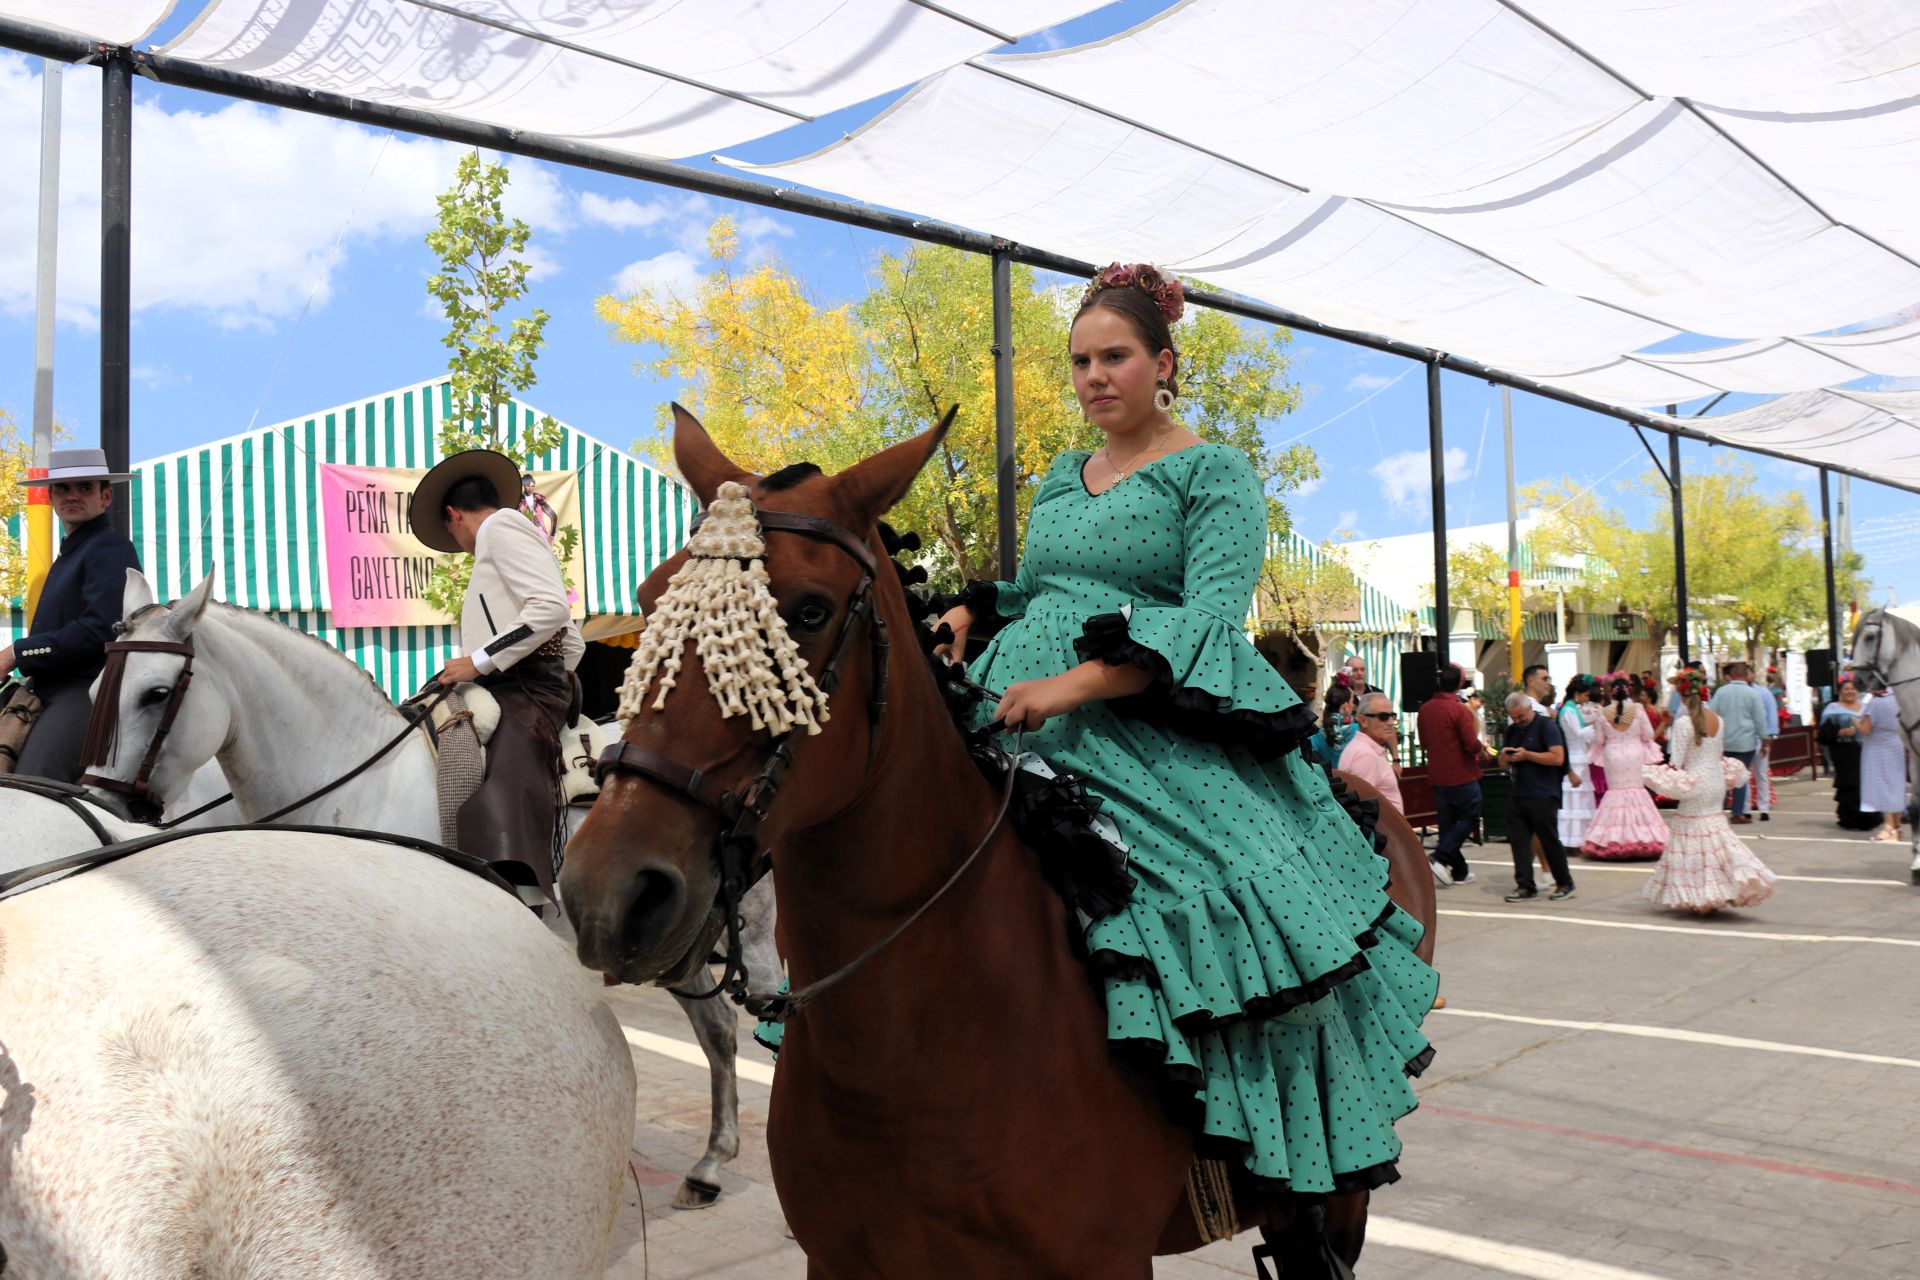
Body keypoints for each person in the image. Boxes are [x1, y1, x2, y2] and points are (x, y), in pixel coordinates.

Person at [938, 262, 1435, 1205]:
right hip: (1014, 694)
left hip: (1146, 721)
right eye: (1080, 360)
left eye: (1114, 356)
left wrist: (1075, 686)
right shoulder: (1059, 474)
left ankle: (1263, 1167)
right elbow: (1042, 591)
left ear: (1164, 362)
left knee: (1218, 891)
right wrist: (972, 615)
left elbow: (1208, 620)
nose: (1093, 376)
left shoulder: (1214, 474)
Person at [410, 450, 584, 907]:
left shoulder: (502, 526)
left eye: (451, 532)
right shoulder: (504, 535)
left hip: (526, 686)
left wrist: (479, 661)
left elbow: (551, 609)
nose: (457, 541)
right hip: (514, 678)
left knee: (510, 760)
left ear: (454, 515)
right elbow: (570, 636)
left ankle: (521, 893)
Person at [0, 448, 143, 782]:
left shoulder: (109, 546)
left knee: (30, 789)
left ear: (105, 497)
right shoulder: (73, 552)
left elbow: (101, 630)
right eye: (63, 488)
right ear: (50, 497)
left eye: (85, 487)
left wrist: (16, 653)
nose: (72, 495)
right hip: (45, 690)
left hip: (85, 690)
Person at [1643, 670, 1776, 915]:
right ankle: (1723, 886)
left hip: (1697, 782)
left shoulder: (1684, 723)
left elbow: (1678, 760)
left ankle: (1702, 894)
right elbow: (1718, 753)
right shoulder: (1717, 719)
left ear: (1682, 695)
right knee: (1715, 835)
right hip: (1715, 781)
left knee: (1692, 837)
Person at [1500, 691, 1575, 902]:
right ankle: (1525, 885)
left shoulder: (1546, 726)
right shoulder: (1513, 731)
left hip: (1543, 793)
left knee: (1549, 840)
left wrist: (1528, 755)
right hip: (1519, 793)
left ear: (1529, 709)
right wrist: (1505, 757)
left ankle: (1565, 882)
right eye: (1514, 717)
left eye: (1521, 716)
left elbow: (1557, 757)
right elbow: (1503, 764)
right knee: (1519, 842)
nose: (1518, 721)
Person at [1582, 675, 1666, 859]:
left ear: (1611, 694)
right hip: (1634, 754)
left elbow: (1599, 740)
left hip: (1613, 755)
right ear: (1629, 692)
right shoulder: (1637, 709)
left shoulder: (1603, 713)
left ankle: (1612, 840)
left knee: (1615, 793)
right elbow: (1648, 735)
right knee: (1636, 790)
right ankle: (1644, 838)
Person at [1417, 663, 1482, 887]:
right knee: (1470, 817)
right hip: (1461, 774)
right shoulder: (1458, 710)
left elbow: (1424, 743)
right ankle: (1440, 857)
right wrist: (1480, 748)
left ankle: (1460, 871)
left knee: (1448, 823)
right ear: (1460, 684)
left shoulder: (1425, 709)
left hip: (1437, 774)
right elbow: (1471, 744)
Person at [1709, 661, 1769, 824]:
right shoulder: (1753, 694)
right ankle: (1737, 813)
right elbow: (1760, 720)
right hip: (1746, 743)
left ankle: (1718, 810)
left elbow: (1711, 714)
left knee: (1722, 777)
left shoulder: (1721, 692)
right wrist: (1764, 740)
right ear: (1746, 675)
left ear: (1732, 674)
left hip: (1725, 743)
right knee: (1740, 777)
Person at [1818, 678, 1878, 831]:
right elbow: (1823, 735)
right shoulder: (1833, 708)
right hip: (1844, 751)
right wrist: (1840, 732)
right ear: (1840, 691)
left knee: (1867, 782)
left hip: (1866, 750)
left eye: (1853, 689)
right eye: (1846, 689)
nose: (1850, 692)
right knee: (1850, 783)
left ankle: (1869, 816)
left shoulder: (1865, 708)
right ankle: (1851, 817)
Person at [1855, 680, 1907, 844]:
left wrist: (1855, 720)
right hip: (1897, 743)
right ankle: (1896, 826)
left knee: (1882, 786)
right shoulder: (1899, 698)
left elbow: (1865, 729)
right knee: (1896, 785)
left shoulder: (1876, 702)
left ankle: (1888, 827)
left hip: (1878, 747)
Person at [1339, 690, 1404, 812]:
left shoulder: (1366, 749)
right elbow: (1361, 809)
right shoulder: (1365, 755)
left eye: (1392, 716)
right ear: (1363, 721)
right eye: (1383, 717)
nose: (1390, 722)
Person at [1555, 675, 1600, 850]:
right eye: (1585, 695)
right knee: (1574, 800)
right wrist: (1596, 726)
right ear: (1577, 694)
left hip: (1579, 755)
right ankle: (1570, 839)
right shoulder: (1569, 710)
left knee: (1579, 799)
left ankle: (1578, 838)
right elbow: (1579, 733)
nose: (1587, 699)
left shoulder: (1572, 709)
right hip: (1575, 756)